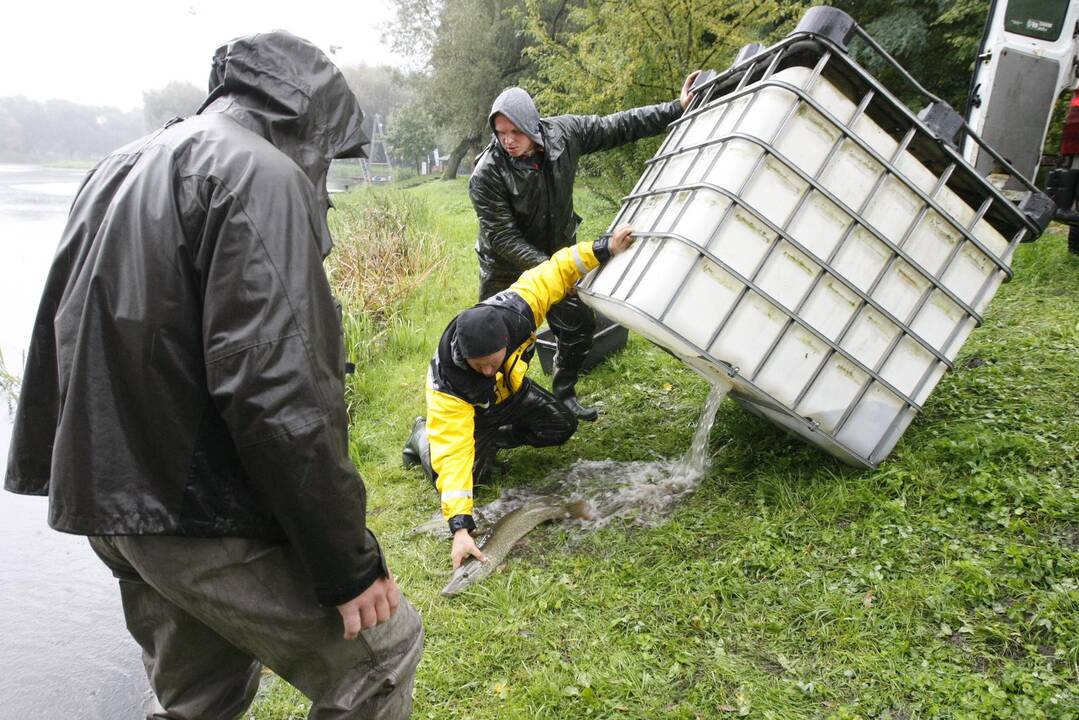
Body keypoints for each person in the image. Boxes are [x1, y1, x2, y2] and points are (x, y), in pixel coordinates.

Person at [4, 32, 422, 720]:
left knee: (201, 697)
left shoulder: (120, 163)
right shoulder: (259, 174)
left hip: (112, 501)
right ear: (311, 118)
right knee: (381, 655)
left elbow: (64, 329)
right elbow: (279, 396)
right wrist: (348, 565)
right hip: (191, 502)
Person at [469, 72, 700, 421]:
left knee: (578, 326)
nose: (508, 141)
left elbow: (617, 126)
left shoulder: (565, 134)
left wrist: (676, 107)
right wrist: (556, 270)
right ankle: (494, 418)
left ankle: (563, 395)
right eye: (501, 134)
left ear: (532, 126)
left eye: (515, 132)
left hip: (558, 250)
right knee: (498, 346)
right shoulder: (487, 174)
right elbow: (502, 238)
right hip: (507, 267)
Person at [403, 226, 637, 569]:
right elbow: (454, 457)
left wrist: (606, 247)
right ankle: (422, 436)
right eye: (479, 366)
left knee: (560, 427)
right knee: (465, 475)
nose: (486, 371)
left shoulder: (518, 310)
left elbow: (557, 269)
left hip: (510, 394)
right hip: (473, 412)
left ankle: (493, 440)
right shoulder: (448, 387)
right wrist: (461, 528)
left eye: (493, 362)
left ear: (505, 338)